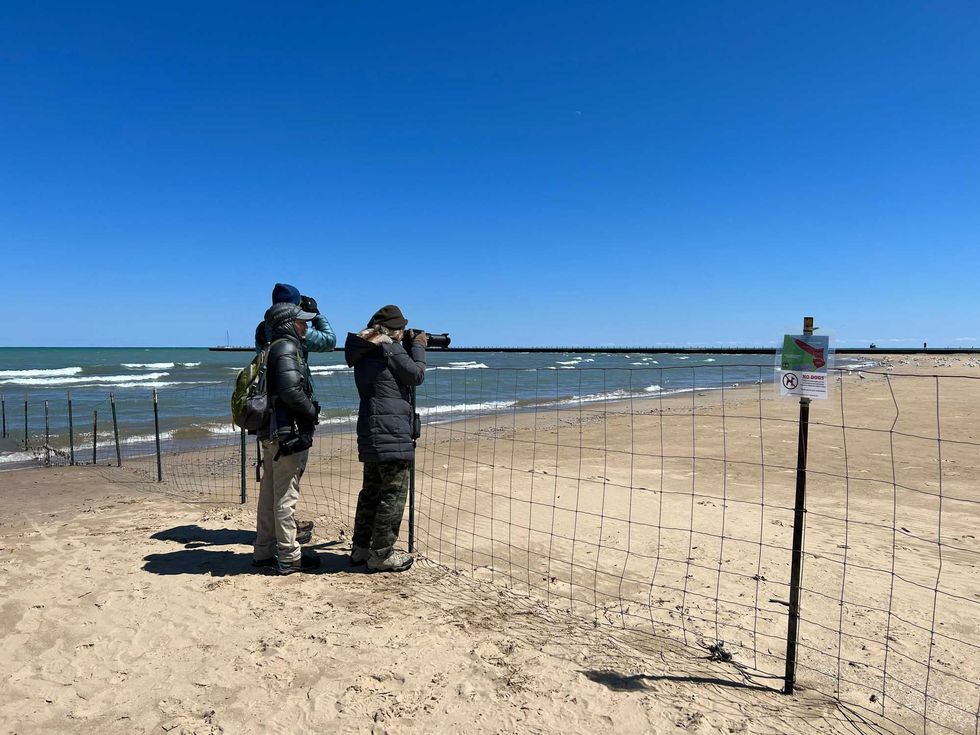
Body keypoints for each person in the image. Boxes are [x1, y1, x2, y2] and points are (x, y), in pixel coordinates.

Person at [344, 305, 427, 573]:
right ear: (393, 331)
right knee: (393, 493)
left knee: (371, 491)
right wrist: (418, 347)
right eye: (401, 329)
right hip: (392, 432)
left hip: (371, 429)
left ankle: (361, 549)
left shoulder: (366, 350)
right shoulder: (389, 347)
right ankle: (381, 553)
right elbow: (415, 375)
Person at [255, 283, 336, 543]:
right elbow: (329, 341)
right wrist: (318, 313)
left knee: (270, 487)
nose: (304, 323)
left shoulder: (263, 328)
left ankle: (266, 546)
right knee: (286, 488)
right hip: (289, 416)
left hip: (269, 412)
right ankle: (288, 551)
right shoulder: (290, 334)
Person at [253, 301, 322, 574]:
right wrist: (312, 412)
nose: (306, 325)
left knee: (269, 496)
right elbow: (292, 391)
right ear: (288, 324)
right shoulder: (286, 348)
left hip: (271, 433)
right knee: (285, 497)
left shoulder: (271, 348)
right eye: (301, 321)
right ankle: (290, 556)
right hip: (285, 434)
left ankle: (263, 552)